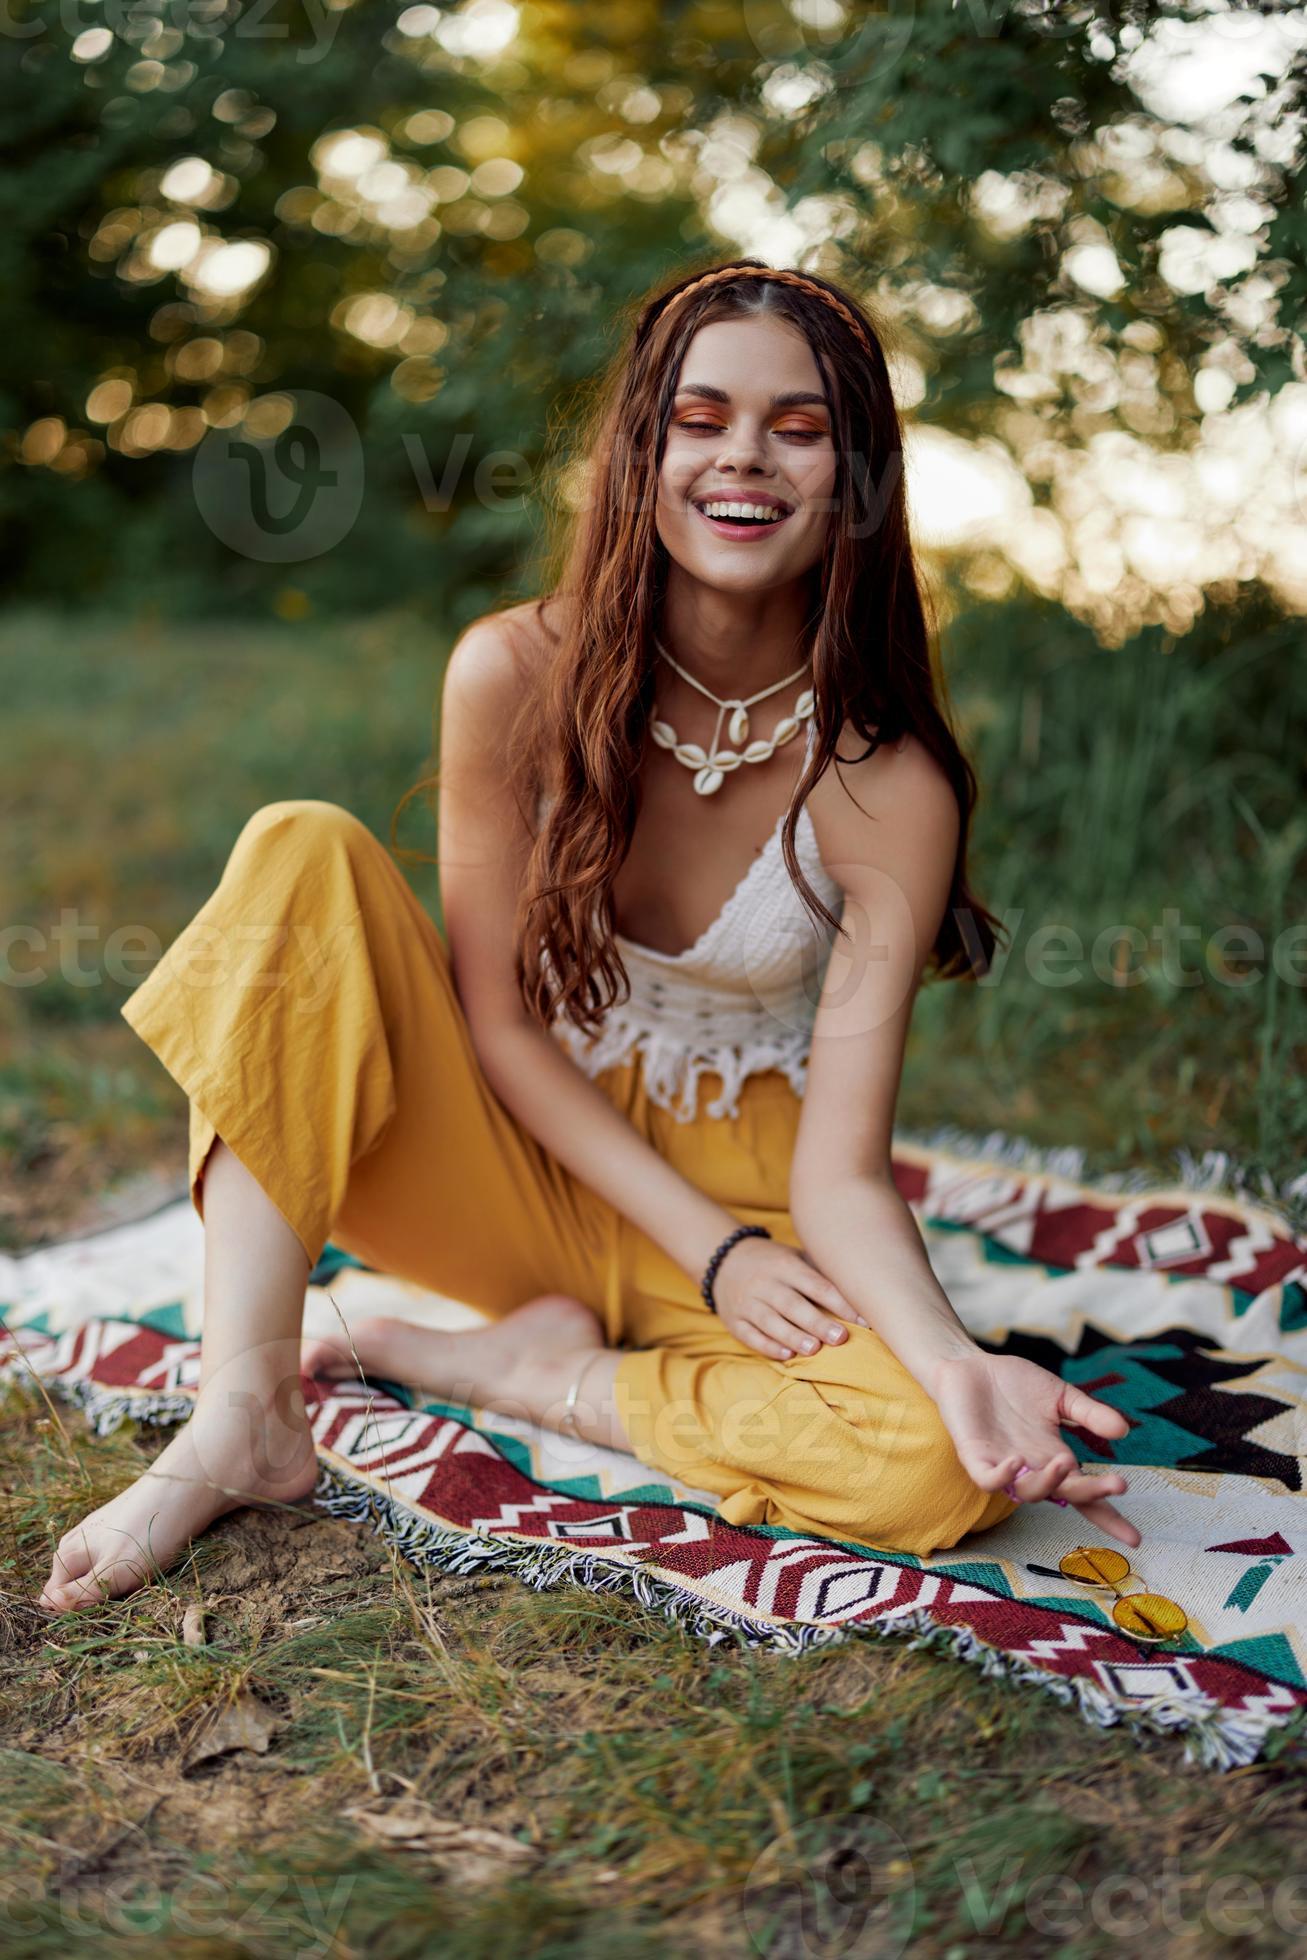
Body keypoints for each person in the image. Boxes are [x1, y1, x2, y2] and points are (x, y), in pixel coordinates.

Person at [37, 259, 1136, 1614]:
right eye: (702, 418)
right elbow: (493, 1019)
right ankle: (242, 1412)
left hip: (751, 1191)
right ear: (640, 449)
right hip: (513, 1151)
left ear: (857, 475)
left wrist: (951, 1355)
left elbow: (845, 1172)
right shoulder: (513, 673)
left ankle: (510, 1365)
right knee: (300, 846)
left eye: (799, 429)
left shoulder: (888, 781)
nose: (746, 458)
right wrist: (710, 1257)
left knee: (941, 1470)